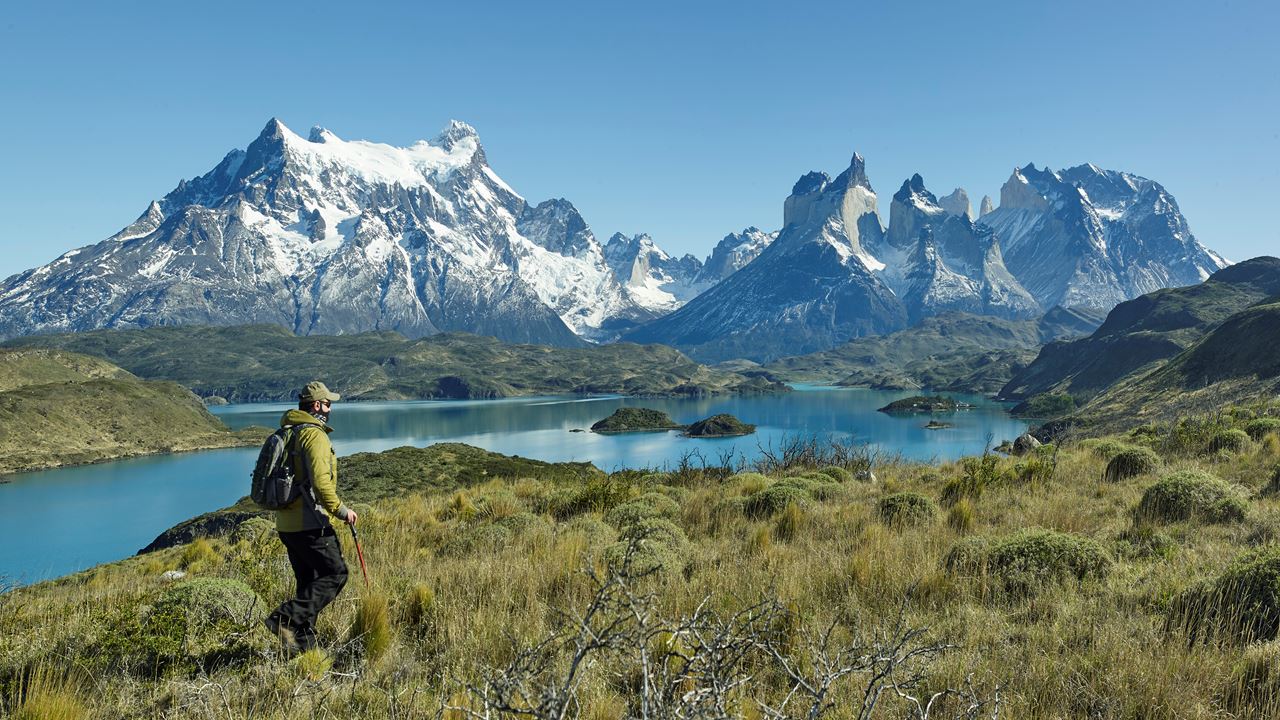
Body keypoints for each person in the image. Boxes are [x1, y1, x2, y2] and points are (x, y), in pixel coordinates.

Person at [263, 380, 358, 652]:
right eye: (328, 404)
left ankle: (303, 650)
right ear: (317, 405)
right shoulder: (314, 435)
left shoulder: (288, 432)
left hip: (287, 525)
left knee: (309, 582)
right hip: (310, 523)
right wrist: (341, 511)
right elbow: (321, 482)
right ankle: (283, 618)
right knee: (335, 574)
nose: (330, 409)